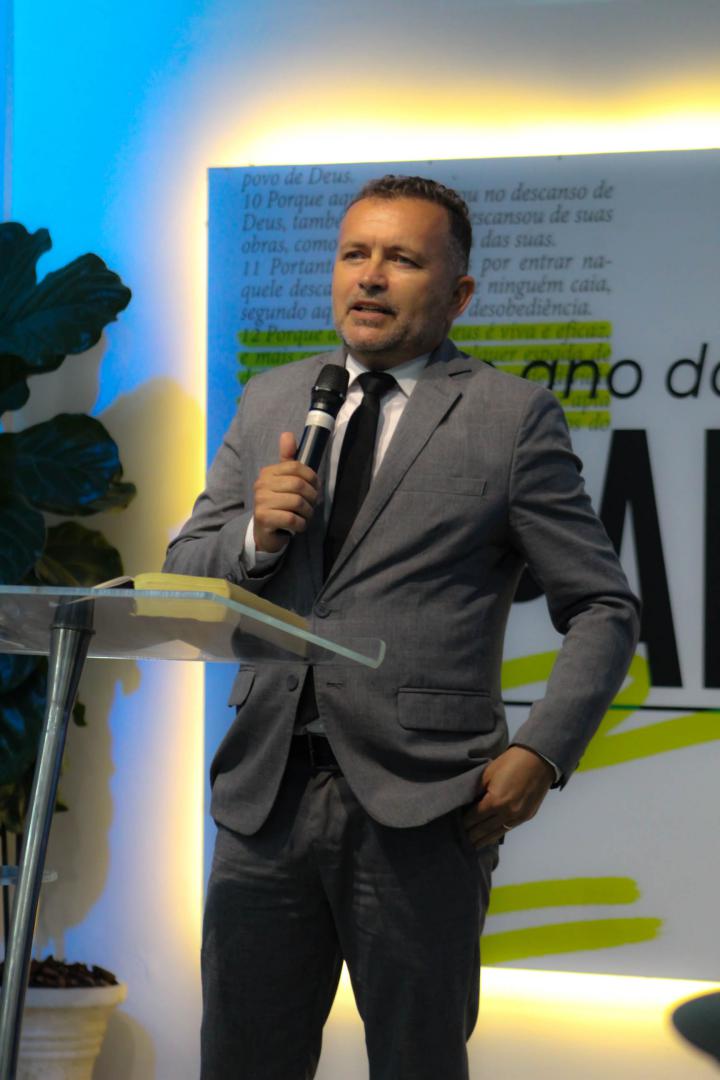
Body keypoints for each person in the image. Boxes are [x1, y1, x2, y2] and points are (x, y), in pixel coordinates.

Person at [164, 175, 640, 1080]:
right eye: (355, 254)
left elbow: (603, 606)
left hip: (425, 803)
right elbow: (184, 571)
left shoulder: (508, 417)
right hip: (264, 797)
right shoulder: (273, 399)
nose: (371, 277)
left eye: (402, 259)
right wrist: (254, 534)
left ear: (459, 293)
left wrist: (542, 752)